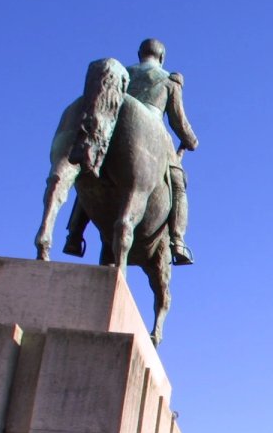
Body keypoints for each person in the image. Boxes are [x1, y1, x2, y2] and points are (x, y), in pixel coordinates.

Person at [62, 38, 199, 265]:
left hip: (112, 128)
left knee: (89, 168)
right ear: (161, 57)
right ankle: (178, 241)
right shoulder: (168, 80)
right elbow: (178, 122)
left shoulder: (122, 74)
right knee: (178, 183)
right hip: (154, 134)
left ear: (139, 54)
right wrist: (191, 140)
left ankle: (74, 234)